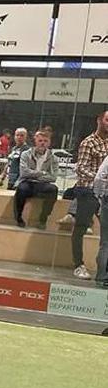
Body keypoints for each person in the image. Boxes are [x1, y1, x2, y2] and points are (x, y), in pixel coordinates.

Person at [69, 110, 108, 280]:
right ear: (99, 120)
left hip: (105, 193)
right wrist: (101, 179)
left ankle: (103, 272)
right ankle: (78, 265)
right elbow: (81, 168)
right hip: (88, 190)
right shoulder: (89, 143)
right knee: (80, 228)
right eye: (107, 120)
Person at [13, 130, 58, 229]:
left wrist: (33, 174)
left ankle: (43, 218)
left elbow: (53, 177)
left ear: (49, 142)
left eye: (45, 141)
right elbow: (24, 173)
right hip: (27, 182)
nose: (42, 143)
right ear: (35, 141)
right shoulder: (25, 154)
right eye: (40, 140)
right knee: (21, 189)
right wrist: (42, 173)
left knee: (53, 189)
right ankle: (19, 217)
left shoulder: (53, 158)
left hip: (42, 184)